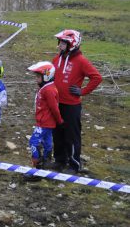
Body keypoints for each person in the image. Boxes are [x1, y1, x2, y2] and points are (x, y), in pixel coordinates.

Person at [51, 30, 102, 173]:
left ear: (72, 44)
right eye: (59, 42)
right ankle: (60, 160)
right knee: (57, 133)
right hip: (56, 103)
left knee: (71, 135)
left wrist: (83, 91)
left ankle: (74, 164)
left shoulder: (81, 61)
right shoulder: (56, 59)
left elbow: (96, 77)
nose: (59, 45)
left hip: (71, 106)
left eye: (62, 43)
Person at [25, 61, 63, 180]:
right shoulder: (46, 88)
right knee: (47, 143)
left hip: (44, 123)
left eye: (38, 76)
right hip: (46, 122)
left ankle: (38, 168)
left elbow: (54, 107)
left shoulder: (48, 90)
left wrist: (59, 121)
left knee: (33, 143)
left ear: (46, 76)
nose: (36, 79)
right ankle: (46, 164)